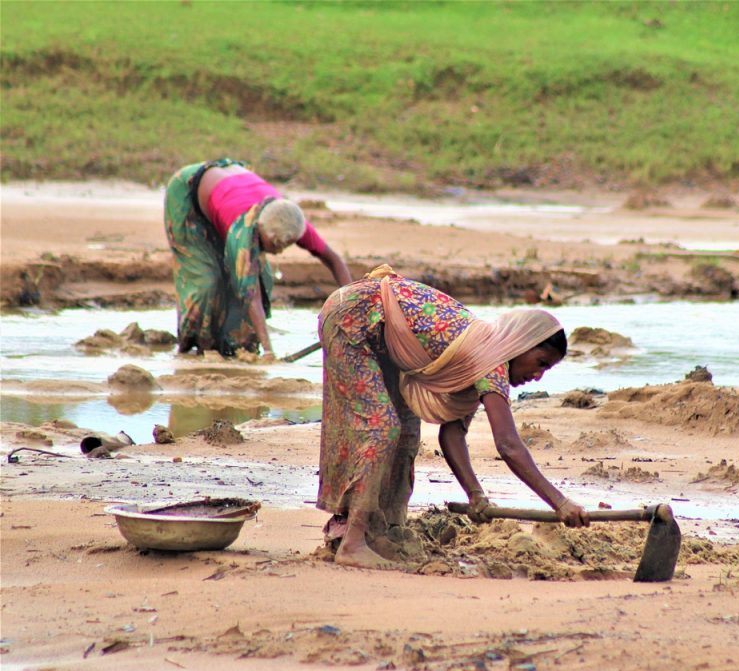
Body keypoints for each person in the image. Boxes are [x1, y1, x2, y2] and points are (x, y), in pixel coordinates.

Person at [317, 264, 589, 569]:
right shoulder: (490, 358)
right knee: (382, 428)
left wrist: (476, 496)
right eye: (539, 362)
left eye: (546, 370)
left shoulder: (482, 354)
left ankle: (382, 533)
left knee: (406, 434)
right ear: (521, 343)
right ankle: (352, 544)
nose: (537, 376)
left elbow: (453, 433)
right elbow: (508, 445)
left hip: (380, 332)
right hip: (354, 317)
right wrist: (560, 502)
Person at [163, 158, 353, 358]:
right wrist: (269, 351)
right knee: (206, 281)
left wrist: (350, 307)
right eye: (275, 246)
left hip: (227, 189)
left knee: (256, 277)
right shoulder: (244, 229)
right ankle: (188, 347)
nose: (278, 253)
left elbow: (334, 260)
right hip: (187, 191)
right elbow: (250, 294)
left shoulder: (292, 220)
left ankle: (231, 344)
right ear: (262, 232)